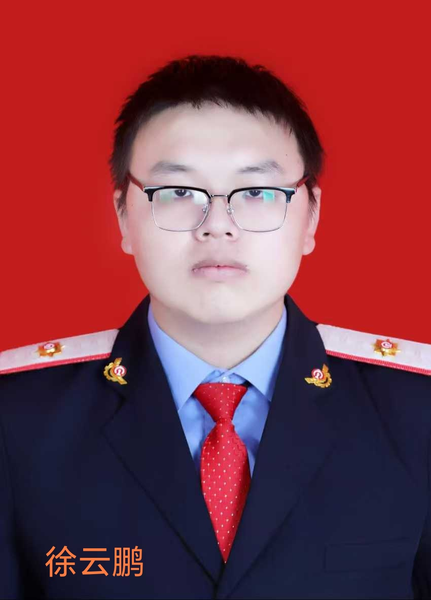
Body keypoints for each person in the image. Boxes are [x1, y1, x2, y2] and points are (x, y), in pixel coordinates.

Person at [0, 54, 430, 600]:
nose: (218, 227)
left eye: (258, 192)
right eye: (177, 192)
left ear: (311, 216)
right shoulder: (19, 418)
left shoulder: (415, 412)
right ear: (123, 215)